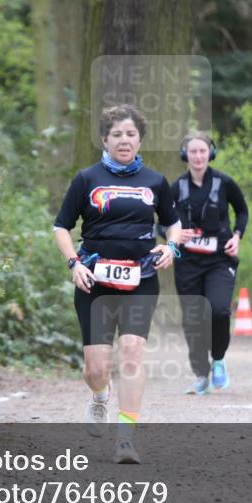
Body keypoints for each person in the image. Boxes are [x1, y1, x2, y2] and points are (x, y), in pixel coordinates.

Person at [53, 104, 182, 464]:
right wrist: (73, 263)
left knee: (131, 355)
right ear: (104, 139)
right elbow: (61, 226)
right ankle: (99, 396)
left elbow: (173, 223)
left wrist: (171, 246)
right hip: (94, 279)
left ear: (140, 139)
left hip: (140, 277)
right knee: (96, 368)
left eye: (131, 134)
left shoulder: (155, 181)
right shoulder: (86, 178)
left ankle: (125, 438)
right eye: (117, 134)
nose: (124, 140)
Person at [170, 134, 249, 395]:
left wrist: (237, 236)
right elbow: (160, 220)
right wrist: (174, 235)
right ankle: (201, 374)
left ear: (210, 153)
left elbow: (242, 211)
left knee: (218, 310)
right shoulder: (176, 187)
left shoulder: (224, 182)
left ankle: (218, 360)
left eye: (202, 151)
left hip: (219, 259)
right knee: (192, 320)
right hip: (187, 263)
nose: (198, 156)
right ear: (185, 155)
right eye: (193, 151)